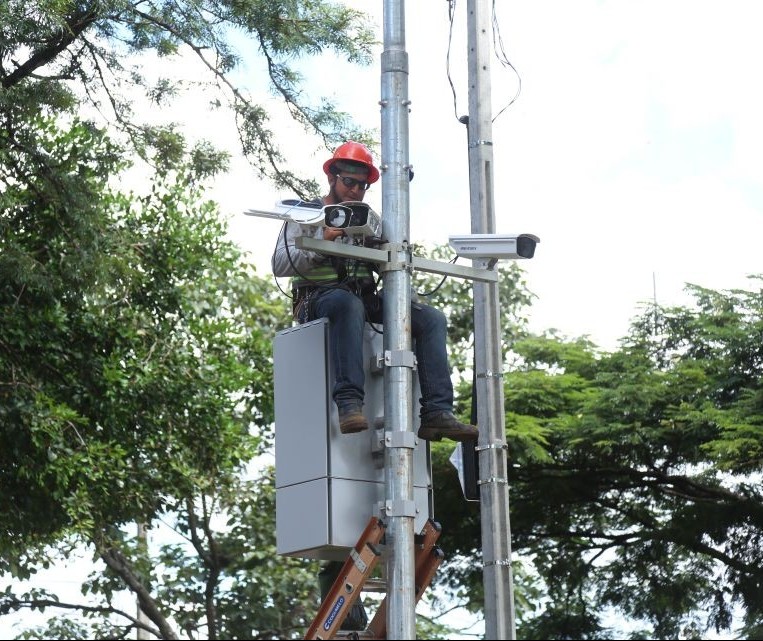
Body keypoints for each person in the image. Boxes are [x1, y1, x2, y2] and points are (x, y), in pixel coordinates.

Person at [271, 140, 478, 442]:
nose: (355, 190)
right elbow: (280, 263)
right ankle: (349, 403)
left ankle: (436, 412)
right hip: (318, 298)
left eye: (362, 186)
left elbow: (390, 270)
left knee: (430, 318)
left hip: (361, 299)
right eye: (349, 182)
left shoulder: (371, 221)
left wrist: (388, 253)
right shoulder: (306, 215)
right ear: (332, 178)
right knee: (346, 303)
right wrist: (322, 242)